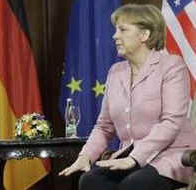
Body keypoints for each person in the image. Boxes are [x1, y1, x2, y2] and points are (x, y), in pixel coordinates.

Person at [59, 4, 196, 190]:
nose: (115, 36)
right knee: (90, 181)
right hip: (130, 157)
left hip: (169, 157)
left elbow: (171, 123)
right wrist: (86, 156)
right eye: (116, 30)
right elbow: (104, 127)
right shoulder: (115, 72)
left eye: (123, 30)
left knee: (135, 185)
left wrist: (133, 158)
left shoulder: (172, 66)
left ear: (144, 35)